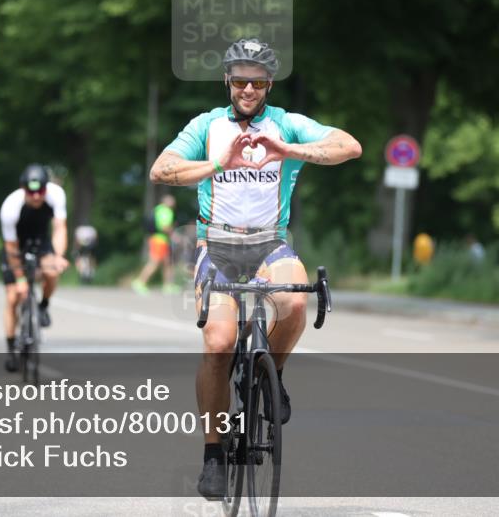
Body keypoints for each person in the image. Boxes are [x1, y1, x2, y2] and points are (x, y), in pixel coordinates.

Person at [149, 37, 362, 499]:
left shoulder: (287, 124)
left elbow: (349, 146)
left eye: (259, 82)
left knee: (294, 303)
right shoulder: (206, 125)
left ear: (270, 85)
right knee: (219, 343)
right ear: (228, 81)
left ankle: (271, 374)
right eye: (241, 80)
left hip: (270, 243)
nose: (249, 89)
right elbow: (161, 170)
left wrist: (288, 150)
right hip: (218, 244)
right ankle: (213, 454)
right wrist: (215, 164)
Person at [0, 164, 70, 372]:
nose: (37, 196)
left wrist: (58, 257)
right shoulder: (10, 207)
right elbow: (11, 247)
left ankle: (43, 305)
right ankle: (11, 350)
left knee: (52, 271)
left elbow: (59, 228)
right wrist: (21, 279)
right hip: (16, 246)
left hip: (41, 241)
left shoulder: (56, 195)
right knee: (13, 297)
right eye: (32, 192)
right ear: (23, 189)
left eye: (41, 191)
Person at [131, 195, 177, 295]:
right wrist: (174, 235)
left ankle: (168, 285)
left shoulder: (157, 209)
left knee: (168, 262)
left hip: (160, 239)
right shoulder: (165, 211)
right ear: (166, 201)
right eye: (172, 200)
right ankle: (139, 282)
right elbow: (164, 227)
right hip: (159, 240)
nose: (174, 202)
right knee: (154, 262)